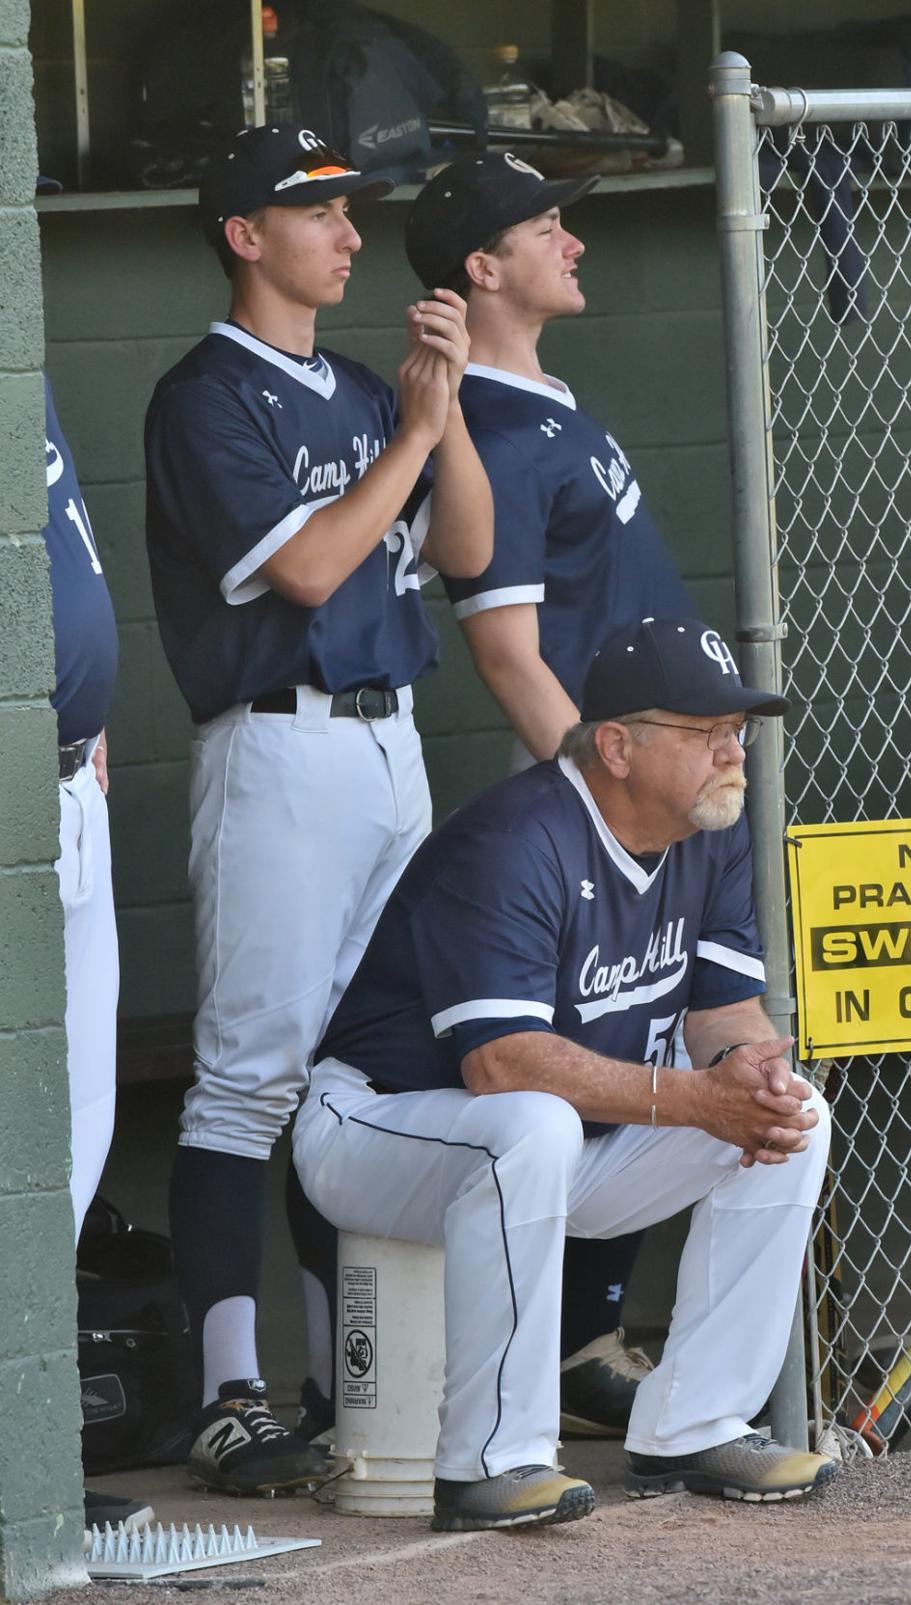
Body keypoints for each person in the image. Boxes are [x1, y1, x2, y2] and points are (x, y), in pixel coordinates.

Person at [293, 615, 836, 1532]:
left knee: (795, 1117)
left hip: (555, 1148)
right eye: (705, 733)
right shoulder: (516, 837)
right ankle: (490, 1464)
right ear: (618, 746)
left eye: (736, 731)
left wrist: (744, 1078)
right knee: (532, 1122)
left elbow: (719, 1011)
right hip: (377, 1129)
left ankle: (694, 1425)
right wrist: (696, 1100)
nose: (732, 752)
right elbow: (500, 1063)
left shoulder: (708, 830)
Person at [143, 123, 492, 1496]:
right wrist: (408, 430)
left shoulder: (361, 384)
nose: (351, 234)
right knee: (251, 1077)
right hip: (276, 748)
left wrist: (442, 410)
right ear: (246, 234)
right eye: (320, 211)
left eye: (350, 210)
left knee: (372, 1066)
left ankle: (346, 1373)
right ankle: (232, 1390)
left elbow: (460, 550)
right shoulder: (204, 397)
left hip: (389, 743)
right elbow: (308, 572)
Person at [402, 151, 698, 1436]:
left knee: (650, 1035)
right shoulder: (492, 427)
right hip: (595, 779)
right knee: (594, 1054)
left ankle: (589, 1341)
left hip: (643, 777)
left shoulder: (543, 397)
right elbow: (507, 647)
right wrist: (603, 794)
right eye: (546, 226)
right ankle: (570, 1347)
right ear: (483, 267)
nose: (572, 240)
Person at [43, 371, 154, 1535]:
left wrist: (92, 697)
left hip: (73, 786)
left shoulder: (28, 361)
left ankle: (30, 1456)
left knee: (79, 1130)